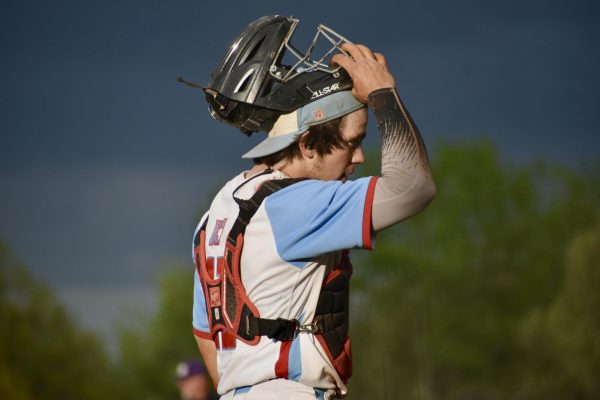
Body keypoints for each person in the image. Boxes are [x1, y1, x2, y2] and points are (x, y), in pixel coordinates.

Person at [188, 16, 436, 399]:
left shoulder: (216, 213)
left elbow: (209, 337)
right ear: (306, 144)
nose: (358, 158)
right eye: (352, 142)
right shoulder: (297, 203)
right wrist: (384, 95)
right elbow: (413, 188)